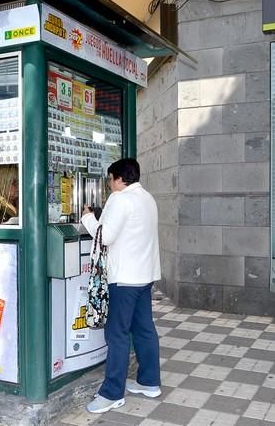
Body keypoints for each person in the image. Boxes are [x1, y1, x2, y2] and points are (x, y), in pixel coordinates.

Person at [80, 158, 161, 413]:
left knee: (117, 335)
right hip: (144, 276)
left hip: (124, 279)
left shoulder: (120, 198)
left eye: (110, 179)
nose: (109, 184)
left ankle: (112, 393)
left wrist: (88, 218)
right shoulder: (147, 198)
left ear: (117, 178)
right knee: (144, 329)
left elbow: (105, 236)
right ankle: (149, 382)